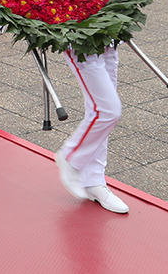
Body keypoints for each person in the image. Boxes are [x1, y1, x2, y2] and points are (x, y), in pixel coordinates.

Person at [55, 44, 129, 214]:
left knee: (98, 109)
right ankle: (70, 157)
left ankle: (94, 180)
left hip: (108, 36)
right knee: (108, 111)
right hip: (80, 38)